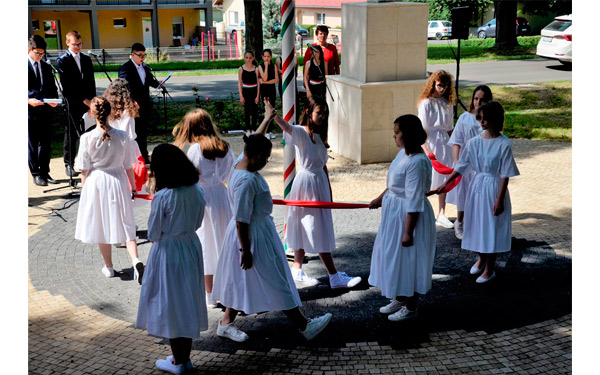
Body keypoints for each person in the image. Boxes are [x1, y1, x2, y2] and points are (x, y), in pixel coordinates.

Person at [211, 113, 332, 342]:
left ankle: (225, 323)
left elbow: (254, 138)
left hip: (247, 234)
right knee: (276, 279)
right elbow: (241, 219)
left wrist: (266, 118)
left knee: (241, 279)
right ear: (255, 155)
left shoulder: (240, 163)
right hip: (252, 236)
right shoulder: (247, 181)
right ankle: (304, 326)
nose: (267, 161)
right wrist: (246, 250)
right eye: (266, 157)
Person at [267, 96, 362, 289]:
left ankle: (297, 269)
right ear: (309, 112)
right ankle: (334, 276)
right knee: (312, 226)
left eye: (325, 113)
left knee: (310, 225)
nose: (323, 116)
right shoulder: (302, 132)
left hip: (318, 184)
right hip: (306, 184)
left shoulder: (319, 135)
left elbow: (323, 166)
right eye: (320, 112)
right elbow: (287, 127)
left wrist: (329, 189)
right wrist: (273, 113)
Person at [136, 144, 207, 375]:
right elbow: (198, 222)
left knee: (172, 304)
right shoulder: (197, 190)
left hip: (168, 252)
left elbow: (154, 233)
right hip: (190, 246)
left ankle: (179, 361)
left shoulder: (163, 197)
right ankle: (184, 358)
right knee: (186, 301)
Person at [432, 101, 520, 283]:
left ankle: (490, 269)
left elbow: (505, 173)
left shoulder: (504, 143)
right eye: (480, 118)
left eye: (485, 119)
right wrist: (445, 184)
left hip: (494, 188)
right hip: (477, 188)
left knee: (491, 227)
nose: (481, 122)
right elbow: (461, 165)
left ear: (495, 120)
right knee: (476, 224)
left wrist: (500, 199)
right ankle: (481, 258)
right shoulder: (474, 143)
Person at [368, 115, 436, 321]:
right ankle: (400, 297)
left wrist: (408, 232)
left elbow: (414, 199)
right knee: (394, 258)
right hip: (394, 214)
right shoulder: (403, 155)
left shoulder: (417, 162)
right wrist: (380, 198)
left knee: (409, 260)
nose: (393, 135)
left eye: (397, 132)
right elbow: (393, 183)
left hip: (409, 218)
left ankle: (411, 305)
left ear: (407, 134)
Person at [74, 96, 144, 283]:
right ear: (110, 111)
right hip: (118, 180)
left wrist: (84, 189)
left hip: (97, 181)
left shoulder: (87, 138)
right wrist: (134, 187)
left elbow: (84, 168)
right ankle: (135, 259)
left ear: (93, 114)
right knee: (127, 222)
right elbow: (129, 165)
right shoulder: (122, 136)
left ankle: (110, 267)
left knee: (101, 224)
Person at [172, 109, 235, 308]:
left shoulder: (196, 150)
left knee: (206, 243)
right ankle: (227, 289)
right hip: (221, 196)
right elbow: (229, 173)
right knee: (223, 240)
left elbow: (189, 176)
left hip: (202, 197)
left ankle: (210, 294)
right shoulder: (225, 147)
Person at [447, 85, 493, 240]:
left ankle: (476, 225)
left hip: (481, 166)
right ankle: (459, 222)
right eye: (476, 98)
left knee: (480, 196)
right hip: (465, 164)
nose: (478, 102)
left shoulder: (489, 121)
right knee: (463, 194)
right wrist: (456, 161)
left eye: (482, 99)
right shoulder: (465, 118)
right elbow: (456, 141)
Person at [417, 70, 456, 229]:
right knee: (426, 178)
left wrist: (455, 146)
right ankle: (420, 212)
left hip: (444, 143)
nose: (442, 89)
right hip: (430, 141)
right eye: (440, 85)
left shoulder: (448, 102)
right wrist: (427, 151)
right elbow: (422, 130)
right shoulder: (426, 103)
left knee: (444, 179)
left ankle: (441, 213)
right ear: (433, 84)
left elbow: (449, 129)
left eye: (445, 86)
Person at [57, 30, 97, 178]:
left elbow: (90, 82)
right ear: (67, 43)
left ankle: (88, 161)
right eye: (75, 44)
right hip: (72, 102)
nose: (78, 47)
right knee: (71, 135)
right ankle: (69, 164)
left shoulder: (86, 59)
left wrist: (92, 101)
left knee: (88, 132)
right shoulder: (63, 60)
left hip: (87, 102)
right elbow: (68, 85)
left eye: (80, 44)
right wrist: (83, 100)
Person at [118, 43, 161, 164]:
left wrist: (159, 83)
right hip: (132, 106)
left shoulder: (145, 67)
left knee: (143, 132)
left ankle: (144, 155)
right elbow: (122, 88)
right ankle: (133, 157)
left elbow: (149, 81)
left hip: (145, 105)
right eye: (140, 55)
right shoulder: (125, 68)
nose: (142, 58)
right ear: (132, 54)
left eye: (144, 55)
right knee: (133, 132)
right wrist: (131, 102)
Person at [28, 35, 59, 187]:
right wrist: (27, 100)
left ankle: (45, 172)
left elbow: (52, 88)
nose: (40, 56)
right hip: (29, 112)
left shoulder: (46, 67)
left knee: (45, 143)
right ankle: (36, 173)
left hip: (45, 110)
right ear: (29, 50)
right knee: (33, 144)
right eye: (37, 53)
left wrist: (53, 100)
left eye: (42, 53)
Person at [238, 51, 260, 135]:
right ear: (244, 58)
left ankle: (254, 128)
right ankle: (247, 129)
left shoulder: (256, 69)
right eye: (246, 58)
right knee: (246, 110)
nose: (248, 59)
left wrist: (258, 95)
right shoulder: (241, 69)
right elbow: (240, 82)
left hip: (254, 90)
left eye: (250, 58)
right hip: (246, 91)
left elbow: (258, 83)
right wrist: (241, 96)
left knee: (254, 110)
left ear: (253, 58)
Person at [258, 49, 278, 139]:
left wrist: (266, 82)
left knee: (272, 108)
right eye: (265, 56)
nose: (266, 58)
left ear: (271, 57)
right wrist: (265, 67)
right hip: (264, 90)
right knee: (266, 109)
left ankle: (270, 130)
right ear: (262, 57)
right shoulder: (260, 66)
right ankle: (265, 131)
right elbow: (264, 77)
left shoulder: (274, 66)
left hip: (271, 89)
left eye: (268, 56)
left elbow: (276, 80)